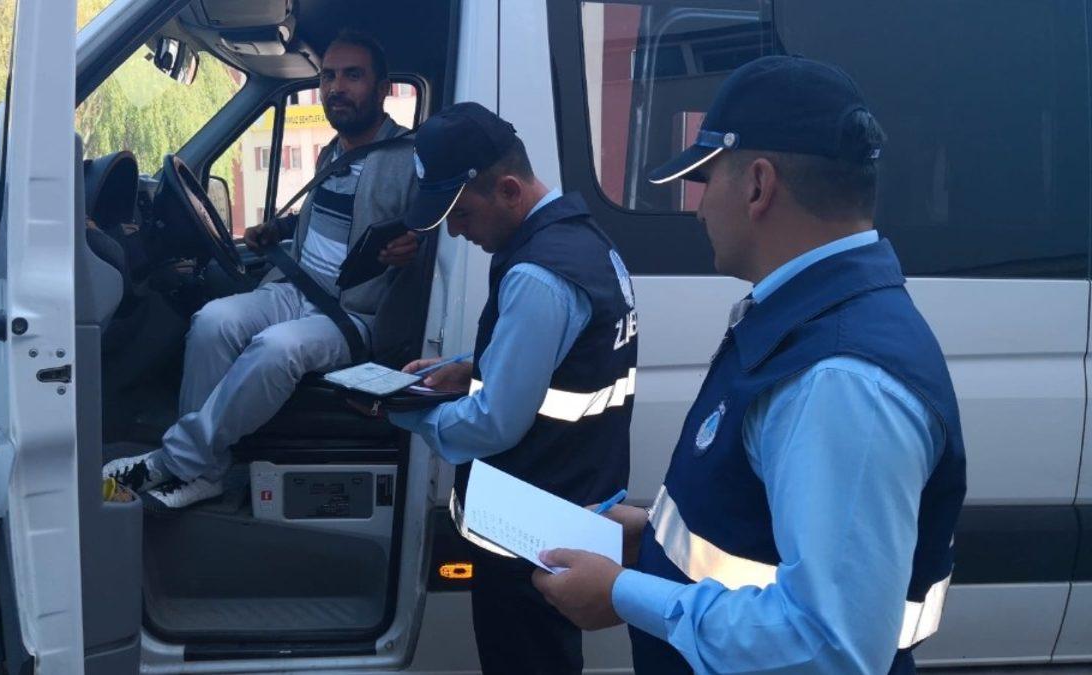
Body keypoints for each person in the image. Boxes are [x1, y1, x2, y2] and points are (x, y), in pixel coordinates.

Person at [532, 55, 967, 674]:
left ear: (759, 185)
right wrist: (651, 538)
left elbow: (829, 647)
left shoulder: (839, 378)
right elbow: (761, 535)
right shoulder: (804, 325)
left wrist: (624, 594)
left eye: (705, 180)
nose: (699, 208)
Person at [103, 30, 421, 509]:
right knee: (212, 321)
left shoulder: (410, 160)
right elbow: (329, 217)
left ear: (381, 89)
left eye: (352, 76)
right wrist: (280, 228)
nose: (336, 87)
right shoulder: (333, 152)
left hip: (354, 314)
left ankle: (176, 461)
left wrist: (417, 245)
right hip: (294, 290)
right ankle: (207, 473)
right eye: (328, 76)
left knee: (276, 348)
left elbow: (439, 235)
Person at [387, 102, 639, 674]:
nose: (455, 230)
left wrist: (400, 409)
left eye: (461, 213)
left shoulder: (537, 275)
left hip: (527, 525)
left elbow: (494, 423)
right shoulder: (582, 240)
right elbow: (566, 358)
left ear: (507, 190)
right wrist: (469, 366)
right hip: (569, 503)